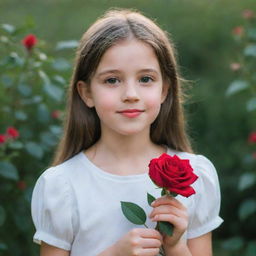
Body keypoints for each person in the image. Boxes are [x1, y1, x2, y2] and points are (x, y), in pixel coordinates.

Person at [31, 8, 223, 256]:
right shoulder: (63, 186)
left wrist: (175, 246)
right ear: (86, 93)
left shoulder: (196, 175)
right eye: (112, 80)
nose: (131, 94)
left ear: (164, 90)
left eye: (145, 79)